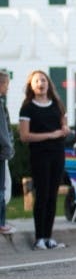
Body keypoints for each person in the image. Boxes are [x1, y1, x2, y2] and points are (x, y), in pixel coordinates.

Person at [18, 70, 71, 250]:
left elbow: (64, 125)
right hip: (40, 156)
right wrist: (51, 135)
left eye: (43, 80)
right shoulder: (28, 108)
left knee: (52, 196)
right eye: (36, 81)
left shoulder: (57, 104)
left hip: (57, 154)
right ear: (31, 86)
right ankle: (39, 237)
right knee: (42, 195)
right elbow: (24, 136)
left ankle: (48, 237)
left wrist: (64, 130)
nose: (40, 83)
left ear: (48, 83)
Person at [0, 70, 15, 235]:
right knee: (2, 189)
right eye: (6, 85)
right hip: (1, 154)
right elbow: (3, 131)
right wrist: (8, 149)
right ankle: (1, 222)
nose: (8, 89)